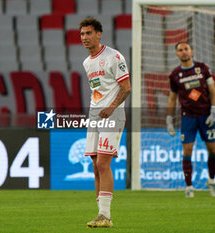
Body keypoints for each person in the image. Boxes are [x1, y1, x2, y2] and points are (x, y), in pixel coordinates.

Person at [80, 17, 131, 228]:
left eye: (89, 33)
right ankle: (101, 214)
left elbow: (126, 88)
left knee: (103, 163)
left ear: (99, 34)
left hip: (113, 115)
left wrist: (112, 108)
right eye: (82, 34)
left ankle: (106, 215)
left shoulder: (114, 57)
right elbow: (97, 91)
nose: (85, 38)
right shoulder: (87, 62)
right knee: (94, 165)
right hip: (95, 117)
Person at [166, 41, 215, 198]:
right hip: (187, 117)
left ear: (192, 51)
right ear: (177, 54)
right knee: (187, 150)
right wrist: (169, 118)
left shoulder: (203, 68)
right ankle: (189, 187)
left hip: (205, 115)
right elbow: (172, 99)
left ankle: (211, 180)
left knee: (213, 149)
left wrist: (214, 111)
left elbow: (213, 91)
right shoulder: (174, 75)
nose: (184, 52)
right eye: (180, 50)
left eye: (186, 49)